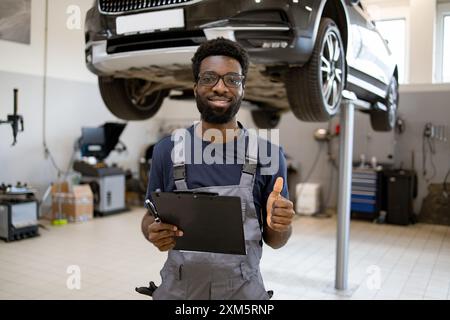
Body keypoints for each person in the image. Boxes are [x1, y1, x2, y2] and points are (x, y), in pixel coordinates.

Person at [141, 38, 295, 300]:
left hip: (243, 293)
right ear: (195, 87)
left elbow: (276, 241)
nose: (220, 88)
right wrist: (152, 232)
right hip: (179, 292)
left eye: (232, 80)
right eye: (209, 78)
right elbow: (149, 217)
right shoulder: (166, 151)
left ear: (243, 88)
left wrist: (279, 224)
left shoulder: (268, 154)